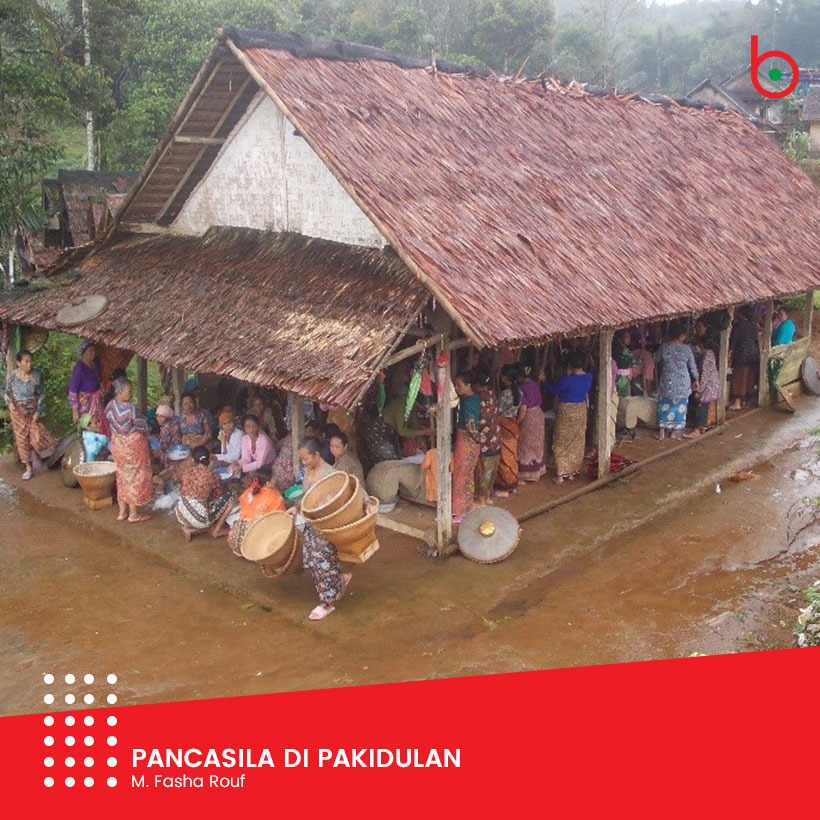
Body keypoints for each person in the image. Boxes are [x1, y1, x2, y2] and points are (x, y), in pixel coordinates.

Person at [288, 437, 352, 621]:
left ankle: (327, 602)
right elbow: (306, 496)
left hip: (326, 525)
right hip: (312, 523)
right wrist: (297, 507)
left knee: (323, 561)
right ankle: (340, 580)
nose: (304, 462)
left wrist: (366, 503)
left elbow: (350, 487)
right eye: (302, 459)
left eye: (306, 458)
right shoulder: (309, 471)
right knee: (311, 559)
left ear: (316, 455)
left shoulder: (330, 474)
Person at [105, 377, 153, 523]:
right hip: (133, 448)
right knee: (135, 477)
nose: (131, 393)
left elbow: (109, 422)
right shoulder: (130, 409)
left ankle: (122, 513)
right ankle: (133, 514)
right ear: (119, 392)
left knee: (122, 477)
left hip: (118, 446)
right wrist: (149, 429)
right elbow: (142, 427)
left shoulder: (110, 406)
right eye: (129, 390)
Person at [4, 349, 54, 480]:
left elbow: (42, 393)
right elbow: (6, 392)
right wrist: (10, 403)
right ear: (18, 363)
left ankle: (36, 453)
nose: (29, 364)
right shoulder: (12, 376)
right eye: (26, 362)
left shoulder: (37, 375)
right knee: (22, 439)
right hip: (18, 412)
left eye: (31, 362)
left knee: (37, 435)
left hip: (33, 409)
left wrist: (38, 410)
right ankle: (28, 467)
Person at [544, 351, 594, 483]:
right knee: (576, 441)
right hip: (581, 410)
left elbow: (552, 390)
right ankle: (572, 470)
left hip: (566, 411)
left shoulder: (567, 380)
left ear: (570, 366)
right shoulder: (589, 377)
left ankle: (560, 473)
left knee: (561, 441)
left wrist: (544, 381)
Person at [174, 446, 234, 541]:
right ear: (209, 458)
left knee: (202, 500)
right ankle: (217, 531)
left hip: (180, 513)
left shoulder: (187, 472)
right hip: (200, 519)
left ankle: (189, 527)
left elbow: (182, 489)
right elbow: (217, 495)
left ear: (193, 460)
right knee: (231, 497)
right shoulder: (211, 476)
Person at [654, 324, 700, 441]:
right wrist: (696, 379)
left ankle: (662, 431)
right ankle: (674, 432)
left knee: (664, 404)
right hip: (682, 382)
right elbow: (692, 366)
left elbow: (656, 358)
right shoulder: (687, 349)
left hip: (667, 381)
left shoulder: (665, 347)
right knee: (680, 406)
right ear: (682, 335)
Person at [227, 470, 287, 556]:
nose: (275, 479)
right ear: (268, 482)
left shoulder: (249, 491)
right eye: (273, 478)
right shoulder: (274, 495)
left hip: (235, 540)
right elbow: (281, 517)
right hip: (252, 542)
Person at [452, 371, 481, 522]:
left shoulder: (468, 402)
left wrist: (475, 438)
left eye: (459, 385)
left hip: (466, 439)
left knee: (460, 474)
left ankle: (459, 511)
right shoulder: (475, 398)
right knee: (468, 474)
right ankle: (467, 505)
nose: (456, 388)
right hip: (472, 441)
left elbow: (470, 425)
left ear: (468, 385)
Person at [473, 370, 501, 505]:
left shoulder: (478, 399)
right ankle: (488, 495)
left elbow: (478, 421)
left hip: (485, 439)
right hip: (495, 437)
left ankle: (481, 497)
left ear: (478, 385)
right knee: (491, 469)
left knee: (482, 470)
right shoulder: (492, 395)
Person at [495, 364, 523, 496]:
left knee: (504, 457)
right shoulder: (519, 392)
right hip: (513, 424)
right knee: (512, 455)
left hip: (504, 424)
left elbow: (498, 411)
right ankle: (513, 483)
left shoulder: (504, 394)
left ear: (505, 378)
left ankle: (504, 486)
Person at [69, 340, 107, 434]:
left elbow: (99, 380)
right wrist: (75, 410)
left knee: (98, 423)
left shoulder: (95, 365)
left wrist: (102, 389)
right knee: (88, 424)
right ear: (84, 353)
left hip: (97, 399)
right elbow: (73, 390)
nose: (93, 353)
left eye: (94, 350)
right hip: (85, 403)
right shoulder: (79, 368)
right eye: (90, 351)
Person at [518, 365, 546, 482]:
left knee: (525, 444)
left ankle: (525, 474)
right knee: (536, 443)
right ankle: (536, 472)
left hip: (528, 416)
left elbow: (523, 408)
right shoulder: (534, 384)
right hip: (538, 414)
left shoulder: (521, 388)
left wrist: (517, 421)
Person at [728, 307, 760, 410]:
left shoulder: (739, 325)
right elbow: (756, 341)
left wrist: (729, 353)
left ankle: (737, 403)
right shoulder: (753, 325)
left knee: (739, 377)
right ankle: (745, 400)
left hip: (741, 354)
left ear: (741, 314)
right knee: (749, 377)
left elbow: (733, 341)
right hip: (753, 354)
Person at [690, 330, 720, 436]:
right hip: (711, 384)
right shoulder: (710, 354)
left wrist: (699, 390)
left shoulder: (707, 356)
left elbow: (705, 374)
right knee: (704, 406)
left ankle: (697, 430)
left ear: (702, 344)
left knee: (701, 406)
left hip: (708, 385)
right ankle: (702, 428)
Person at [613, 330, 636, 398]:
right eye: (626, 337)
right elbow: (634, 362)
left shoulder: (615, 350)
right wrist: (640, 359)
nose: (629, 339)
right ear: (620, 339)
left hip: (618, 377)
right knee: (624, 398)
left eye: (629, 337)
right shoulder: (625, 351)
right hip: (623, 378)